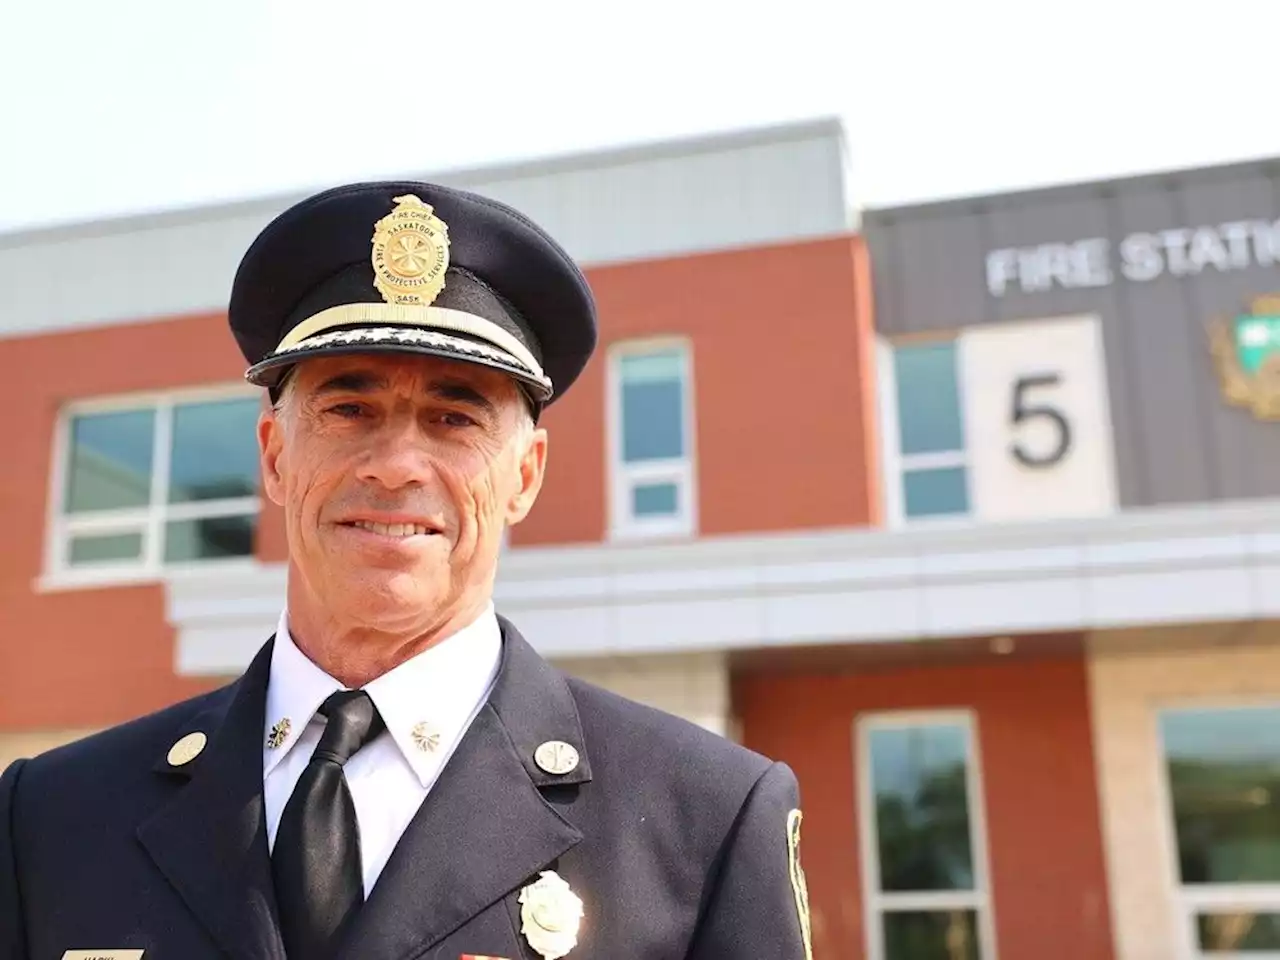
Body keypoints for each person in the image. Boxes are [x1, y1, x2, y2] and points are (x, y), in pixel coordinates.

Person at [0, 181, 813, 960]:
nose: (395, 465)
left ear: (524, 476)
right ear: (276, 456)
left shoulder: (703, 820)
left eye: (454, 418)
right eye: (349, 409)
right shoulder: (52, 818)